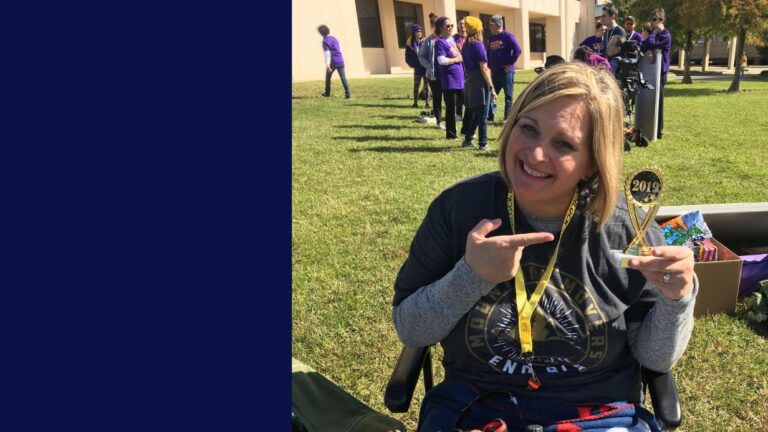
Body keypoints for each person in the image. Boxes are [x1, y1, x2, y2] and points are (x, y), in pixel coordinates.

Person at [392, 62, 697, 432]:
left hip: (595, 413)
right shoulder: (458, 209)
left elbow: (655, 360)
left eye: (563, 144)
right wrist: (471, 276)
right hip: (478, 404)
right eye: (528, 128)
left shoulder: (627, 230)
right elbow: (411, 329)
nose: (535, 154)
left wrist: (677, 298)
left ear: (592, 163)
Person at [458, 16, 496, 151]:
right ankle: (483, 143)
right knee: (483, 115)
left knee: (476, 112)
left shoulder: (466, 45)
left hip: (470, 80)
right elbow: (484, 68)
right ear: (478, 30)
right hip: (479, 81)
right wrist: (491, 87)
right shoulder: (478, 45)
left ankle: (468, 139)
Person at [641, 8, 671, 140]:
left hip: (660, 73)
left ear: (661, 20)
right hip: (651, 72)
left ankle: (658, 131)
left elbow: (652, 43)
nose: (651, 22)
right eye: (650, 19)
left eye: (654, 19)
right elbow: (643, 45)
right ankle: (649, 127)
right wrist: (648, 50)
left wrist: (653, 34)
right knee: (650, 100)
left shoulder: (666, 35)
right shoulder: (654, 34)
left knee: (658, 102)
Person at [487, 15, 521, 123]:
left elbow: (517, 50)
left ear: (498, 25)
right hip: (495, 72)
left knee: (508, 96)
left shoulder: (508, 36)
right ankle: (490, 117)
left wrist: (510, 63)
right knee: (492, 95)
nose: (489, 27)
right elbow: (488, 52)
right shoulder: (491, 38)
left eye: (491, 25)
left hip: (506, 72)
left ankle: (507, 118)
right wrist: (489, 66)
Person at [435, 16, 464, 140]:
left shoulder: (452, 40)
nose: (451, 28)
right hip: (449, 80)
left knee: (469, 104)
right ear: (440, 29)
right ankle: (451, 135)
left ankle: (466, 130)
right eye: (447, 26)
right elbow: (441, 60)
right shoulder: (440, 42)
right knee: (451, 109)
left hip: (460, 79)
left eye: (452, 25)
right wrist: (456, 60)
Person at [419, 13, 445, 130]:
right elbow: (421, 56)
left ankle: (451, 119)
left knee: (449, 99)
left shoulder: (447, 39)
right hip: (433, 75)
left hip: (447, 74)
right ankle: (439, 121)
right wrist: (429, 66)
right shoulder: (429, 40)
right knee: (437, 98)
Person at [318, 25, 351, 99]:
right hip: (340, 59)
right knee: (343, 78)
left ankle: (327, 93)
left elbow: (327, 53)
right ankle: (348, 95)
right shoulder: (334, 38)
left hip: (333, 61)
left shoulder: (325, 41)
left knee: (328, 78)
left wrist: (328, 65)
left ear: (321, 33)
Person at [406, 24, 431, 109]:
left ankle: (427, 103)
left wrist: (428, 63)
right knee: (416, 85)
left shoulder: (425, 42)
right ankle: (415, 103)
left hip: (425, 68)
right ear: (414, 32)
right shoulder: (410, 44)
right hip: (417, 68)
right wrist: (414, 63)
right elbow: (407, 57)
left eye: (420, 31)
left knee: (426, 86)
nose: (420, 33)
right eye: (418, 31)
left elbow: (429, 53)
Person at [453, 18, 468, 121]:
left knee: (469, 92)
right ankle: (458, 114)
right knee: (459, 92)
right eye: (460, 24)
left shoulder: (470, 37)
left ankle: (469, 113)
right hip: (459, 69)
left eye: (464, 24)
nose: (462, 26)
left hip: (469, 69)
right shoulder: (454, 38)